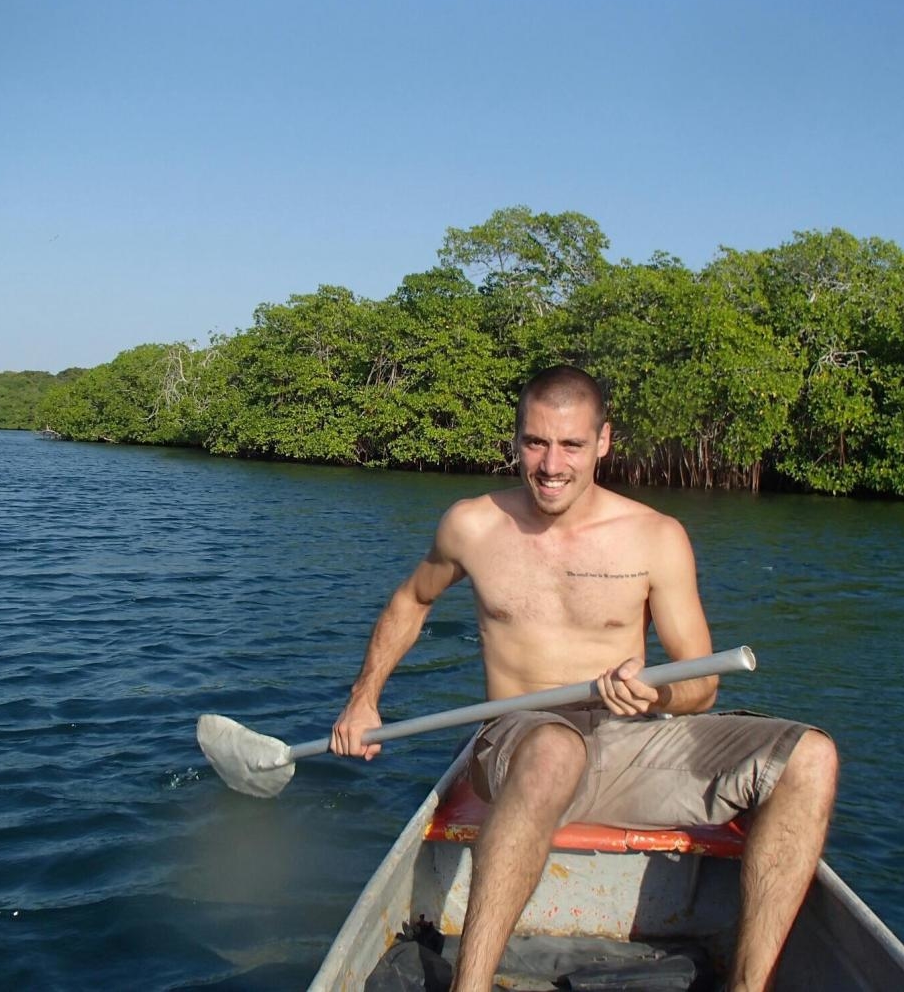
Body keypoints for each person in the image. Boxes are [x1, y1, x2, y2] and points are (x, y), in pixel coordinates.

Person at [331, 365, 838, 992]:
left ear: (603, 441)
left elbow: (702, 687)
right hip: (520, 743)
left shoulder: (656, 538)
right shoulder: (472, 525)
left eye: (571, 444)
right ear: (516, 439)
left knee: (809, 758)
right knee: (553, 750)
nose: (551, 465)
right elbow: (412, 600)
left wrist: (655, 693)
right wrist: (364, 699)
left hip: (628, 743)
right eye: (535, 442)